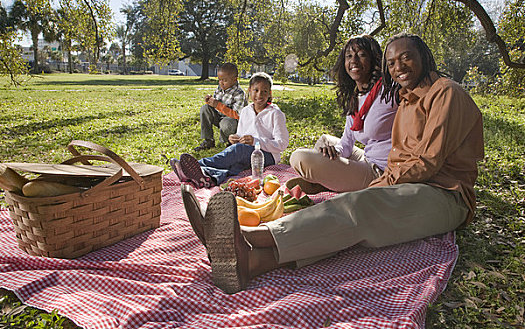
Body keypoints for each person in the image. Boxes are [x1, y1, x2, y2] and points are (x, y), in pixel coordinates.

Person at [182, 32, 484, 294]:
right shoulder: (407, 98)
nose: (398, 67)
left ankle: (245, 237)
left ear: (424, 57)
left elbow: (427, 164)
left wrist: (378, 184)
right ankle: (252, 263)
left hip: (444, 193)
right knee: (352, 217)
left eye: (406, 58)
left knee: (361, 206)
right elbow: (373, 150)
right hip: (405, 182)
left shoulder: (445, 93)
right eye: (392, 63)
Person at [288, 35, 398, 193]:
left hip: (381, 171)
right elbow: (346, 144)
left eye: (361, 55)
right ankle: (333, 180)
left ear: (374, 59)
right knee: (325, 141)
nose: (354, 61)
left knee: (299, 158)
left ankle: (328, 183)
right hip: (367, 157)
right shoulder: (356, 96)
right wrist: (335, 152)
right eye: (349, 56)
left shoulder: (389, 92)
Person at [172, 72, 289, 188]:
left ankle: (194, 166)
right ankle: (208, 177)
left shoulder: (275, 113)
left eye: (264, 91)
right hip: (247, 152)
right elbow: (241, 135)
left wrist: (255, 141)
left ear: (270, 93)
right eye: (256, 90)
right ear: (249, 90)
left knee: (237, 151)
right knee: (235, 166)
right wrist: (235, 138)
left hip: (267, 156)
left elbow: (282, 144)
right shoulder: (246, 111)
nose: (260, 95)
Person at [194, 62, 247, 151]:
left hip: (232, 122)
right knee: (204, 109)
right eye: (219, 80)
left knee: (225, 123)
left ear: (234, 80)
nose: (221, 83)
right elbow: (215, 105)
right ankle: (208, 140)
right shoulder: (220, 88)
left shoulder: (239, 93)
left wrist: (218, 105)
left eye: (224, 80)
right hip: (219, 117)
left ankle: (228, 143)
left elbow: (237, 115)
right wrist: (210, 101)